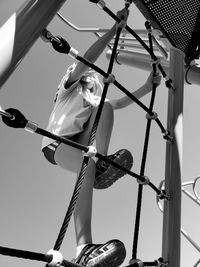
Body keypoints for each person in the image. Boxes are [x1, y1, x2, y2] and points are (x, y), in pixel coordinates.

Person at [42, 7, 161, 267]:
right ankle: (84, 247)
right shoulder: (68, 88)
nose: (93, 79)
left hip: (81, 143)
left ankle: (101, 162)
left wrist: (145, 87)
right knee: (88, 161)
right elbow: (85, 60)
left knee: (105, 105)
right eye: (91, 77)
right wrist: (114, 30)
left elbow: (114, 105)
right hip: (56, 144)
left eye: (96, 80)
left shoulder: (92, 98)